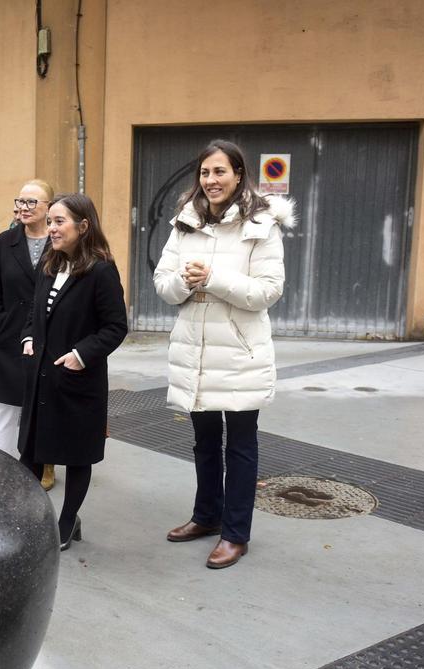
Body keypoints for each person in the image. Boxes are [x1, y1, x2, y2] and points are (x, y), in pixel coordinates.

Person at [153, 139, 294, 570]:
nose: (211, 181)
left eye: (220, 172)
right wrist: (187, 280)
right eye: (204, 173)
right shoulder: (186, 223)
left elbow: (267, 291)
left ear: (238, 175)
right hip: (195, 349)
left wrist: (213, 276)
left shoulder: (261, 226)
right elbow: (162, 284)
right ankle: (206, 516)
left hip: (240, 351)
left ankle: (236, 533)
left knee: (241, 447)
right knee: (205, 444)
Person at [18, 193, 127, 551]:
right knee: (32, 453)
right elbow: (35, 312)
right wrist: (30, 335)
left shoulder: (101, 270)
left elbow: (115, 326)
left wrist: (82, 354)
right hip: (42, 379)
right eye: (50, 221)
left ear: (83, 226)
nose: (51, 228)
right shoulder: (49, 265)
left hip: (78, 380)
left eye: (59, 221)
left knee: (77, 455)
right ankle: (33, 519)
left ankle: (67, 520)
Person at [0, 179, 57, 488]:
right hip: (10, 334)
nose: (23, 208)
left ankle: (45, 464)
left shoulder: (59, 241)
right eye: (20, 201)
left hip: (49, 336)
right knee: (6, 406)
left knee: (43, 403)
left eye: (31, 203)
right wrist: (0, 319)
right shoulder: (5, 241)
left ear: (49, 209)